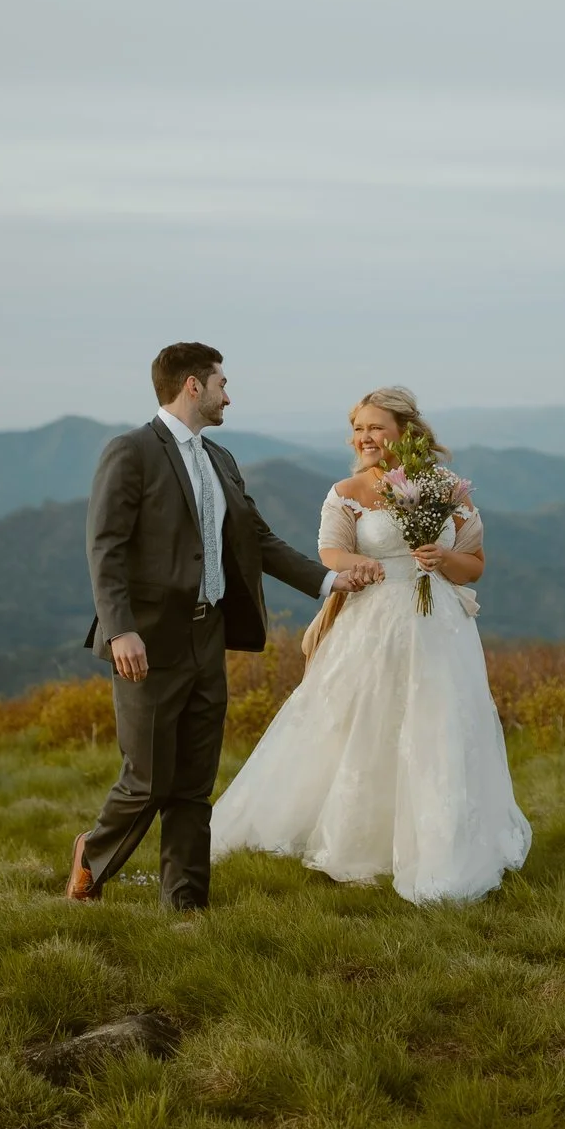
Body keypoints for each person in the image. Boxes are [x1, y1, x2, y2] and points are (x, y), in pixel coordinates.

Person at [67, 342, 380, 911]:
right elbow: (105, 546)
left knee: (194, 782)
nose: (227, 396)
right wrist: (119, 629)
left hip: (208, 634)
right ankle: (92, 855)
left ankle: (185, 901)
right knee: (147, 779)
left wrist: (330, 581)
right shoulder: (131, 451)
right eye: (221, 384)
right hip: (147, 639)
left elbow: (257, 539)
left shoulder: (221, 459)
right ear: (193, 385)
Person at [209, 387, 531, 904]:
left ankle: (443, 844)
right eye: (358, 428)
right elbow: (330, 551)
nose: (365, 437)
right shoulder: (347, 492)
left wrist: (442, 560)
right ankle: (359, 841)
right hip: (373, 622)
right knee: (363, 726)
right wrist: (358, 565)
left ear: (406, 432)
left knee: (440, 725)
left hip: (439, 627)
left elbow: (474, 565)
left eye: (376, 427)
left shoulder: (446, 488)